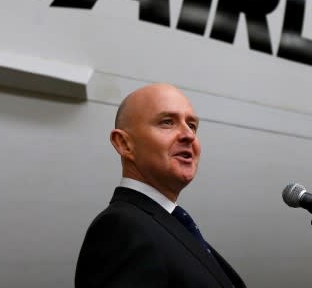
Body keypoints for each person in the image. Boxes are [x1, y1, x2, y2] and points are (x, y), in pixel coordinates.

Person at [75, 83, 246, 288]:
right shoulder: (120, 229)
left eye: (192, 125)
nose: (189, 135)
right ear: (124, 144)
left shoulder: (167, 225)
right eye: (167, 122)